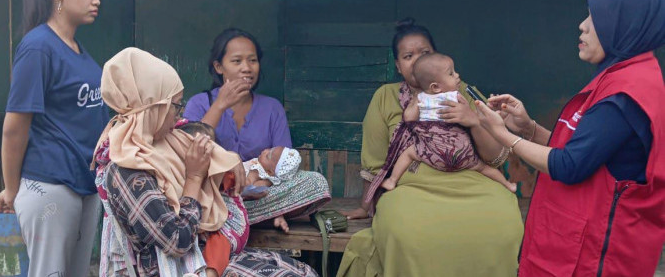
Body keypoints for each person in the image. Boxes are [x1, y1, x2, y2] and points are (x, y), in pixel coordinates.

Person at [474, 0, 665, 277]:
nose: (583, 26)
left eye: (595, 18)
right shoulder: (625, 76)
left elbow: (570, 165)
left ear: (626, 25)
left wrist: (502, 134)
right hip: (578, 244)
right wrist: (529, 128)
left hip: (592, 256)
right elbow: (589, 153)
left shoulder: (625, 95)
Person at [95, 47, 318, 277]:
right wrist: (194, 178)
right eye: (175, 105)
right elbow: (177, 241)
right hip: (178, 268)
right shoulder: (126, 169)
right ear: (153, 107)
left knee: (304, 272)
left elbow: (203, 144)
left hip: (203, 252)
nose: (178, 115)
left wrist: (226, 166)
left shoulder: (166, 139)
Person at [338, 18, 523, 277]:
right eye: (407, 56)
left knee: (502, 224)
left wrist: (473, 121)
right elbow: (375, 164)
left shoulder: (464, 92)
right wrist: (365, 205)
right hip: (412, 189)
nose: (416, 61)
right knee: (407, 232)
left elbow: (495, 158)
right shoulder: (385, 97)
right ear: (398, 66)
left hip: (473, 183)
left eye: (424, 53)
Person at [0, 0, 108, 277]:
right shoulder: (38, 46)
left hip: (85, 186)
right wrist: (12, 189)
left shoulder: (79, 52)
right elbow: (15, 127)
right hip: (50, 185)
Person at [185, 28, 330, 233]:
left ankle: (243, 217)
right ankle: (246, 215)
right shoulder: (199, 103)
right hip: (213, 195)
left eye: (252, 61)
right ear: (219, 67)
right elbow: (188, 152)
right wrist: (219, 106)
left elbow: (284, 171)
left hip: (259, 196)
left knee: (315, 182)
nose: (247, 68)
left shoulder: (271, 108)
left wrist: (259, 187)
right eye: (237, 61)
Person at [370, 53, 515, 196]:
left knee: (409, 152)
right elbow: (478, 118)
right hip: (462, 154)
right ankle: (508, 185)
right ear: (435, 87)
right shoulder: (457, 96)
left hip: (434, 155)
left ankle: (392, 180)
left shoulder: (421, 98)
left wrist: (414, 101)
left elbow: (408, 119)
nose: (457, 75)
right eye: (451, 73)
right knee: (484, 168)